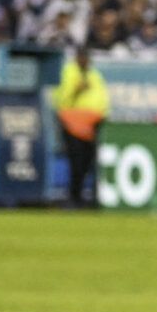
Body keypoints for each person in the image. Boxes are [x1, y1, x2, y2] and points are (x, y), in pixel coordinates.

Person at [53, 47, 110, 208]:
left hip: (92, 125)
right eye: (83, 58)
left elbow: (102, 97)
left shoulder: (94, 74)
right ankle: (73, 196)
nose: (85, 61)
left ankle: (84, 196)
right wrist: (76, 90)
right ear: (77, 58)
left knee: (88, 163)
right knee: (76, 163)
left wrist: (103, 113)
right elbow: (61, 99)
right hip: (72, 124)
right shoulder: (68, 72)